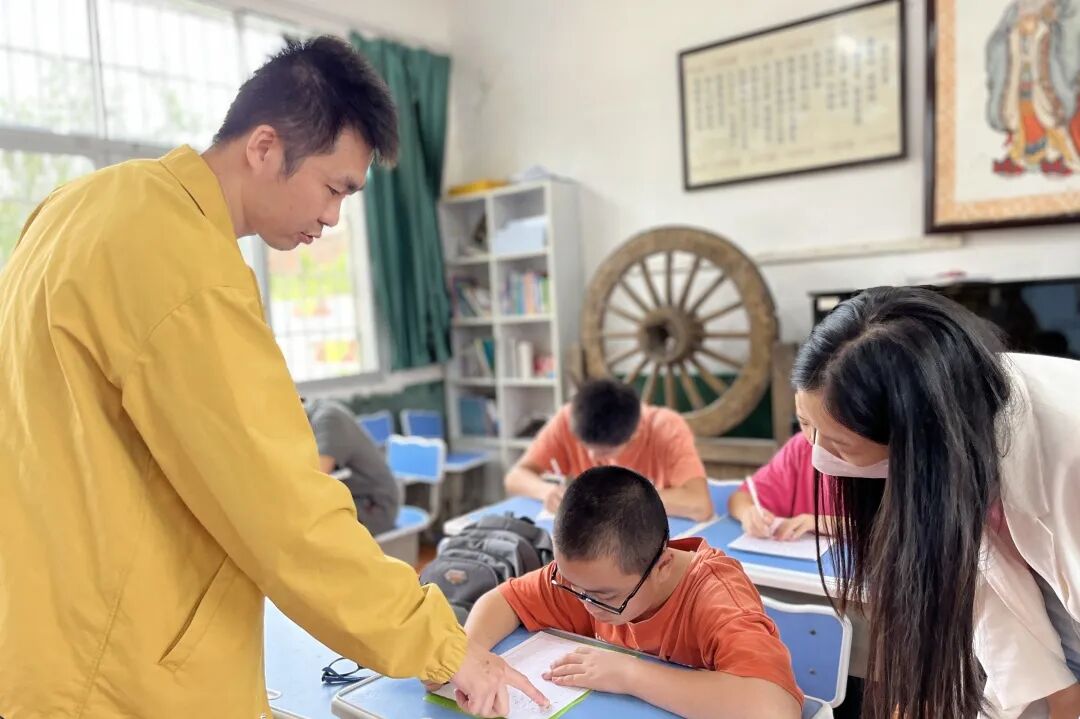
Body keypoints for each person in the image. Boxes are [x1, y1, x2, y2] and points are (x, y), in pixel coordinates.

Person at [0, 37, 546, 719]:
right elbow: (285, 507)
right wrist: (443, 645)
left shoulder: (77, 205)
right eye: (333, 188)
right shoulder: (183, 262)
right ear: (264, 147)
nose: (333, 217)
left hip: (42, 635)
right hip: (119, 669)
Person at [792, 286, 1080, 719]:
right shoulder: (956, 413)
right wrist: (1060, 695)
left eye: (838, 444)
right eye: (804, 424)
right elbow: (984, 585)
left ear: (916, 434)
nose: (818, 455)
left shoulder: (1063, 450)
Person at [457, 466, 802, 718]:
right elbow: (502, 600)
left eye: (604, 597)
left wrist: (629, 675)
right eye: (571, 586)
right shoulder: (589, 578)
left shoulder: (717, 598)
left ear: (663, 566)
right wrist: (467, 657)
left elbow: (775, 708)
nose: (584, 604)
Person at [504, 379, 712, 521]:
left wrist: (616, 499)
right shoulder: (571, 417)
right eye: (584, 445)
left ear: (634, 434)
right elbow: (515, 477)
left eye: (604, 452)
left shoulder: (667, 428)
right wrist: (546, 491)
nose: (592, 456)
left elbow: (700, 505)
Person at [727, 409, 839, 541]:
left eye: (825, 423)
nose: (813, 436)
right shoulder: (800, 448)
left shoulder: (862, 457)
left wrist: (825, 523)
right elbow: (740, 498)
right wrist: (748, 513)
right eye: (804, 423)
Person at [304, 397, 401, 536]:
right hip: (352, 498)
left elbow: (315, 479)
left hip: (375, 505)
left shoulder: (329, 419)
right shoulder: (311, 417)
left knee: (306, 525)